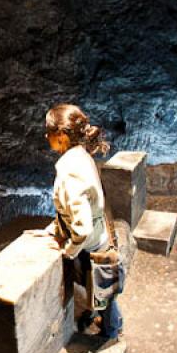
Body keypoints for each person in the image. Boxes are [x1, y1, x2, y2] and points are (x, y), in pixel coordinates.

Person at [28, 103, 124, 340]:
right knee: (100, 286)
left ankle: (111, 332)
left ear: (61, 135)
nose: (46, 136)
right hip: (99, 233)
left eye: (49, 131)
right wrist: (54, 229)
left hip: (91, 241)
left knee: (104, 289)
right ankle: (102, 317)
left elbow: (82, 227)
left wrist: (68, 250)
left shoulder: (69, 171)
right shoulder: (80, 154)